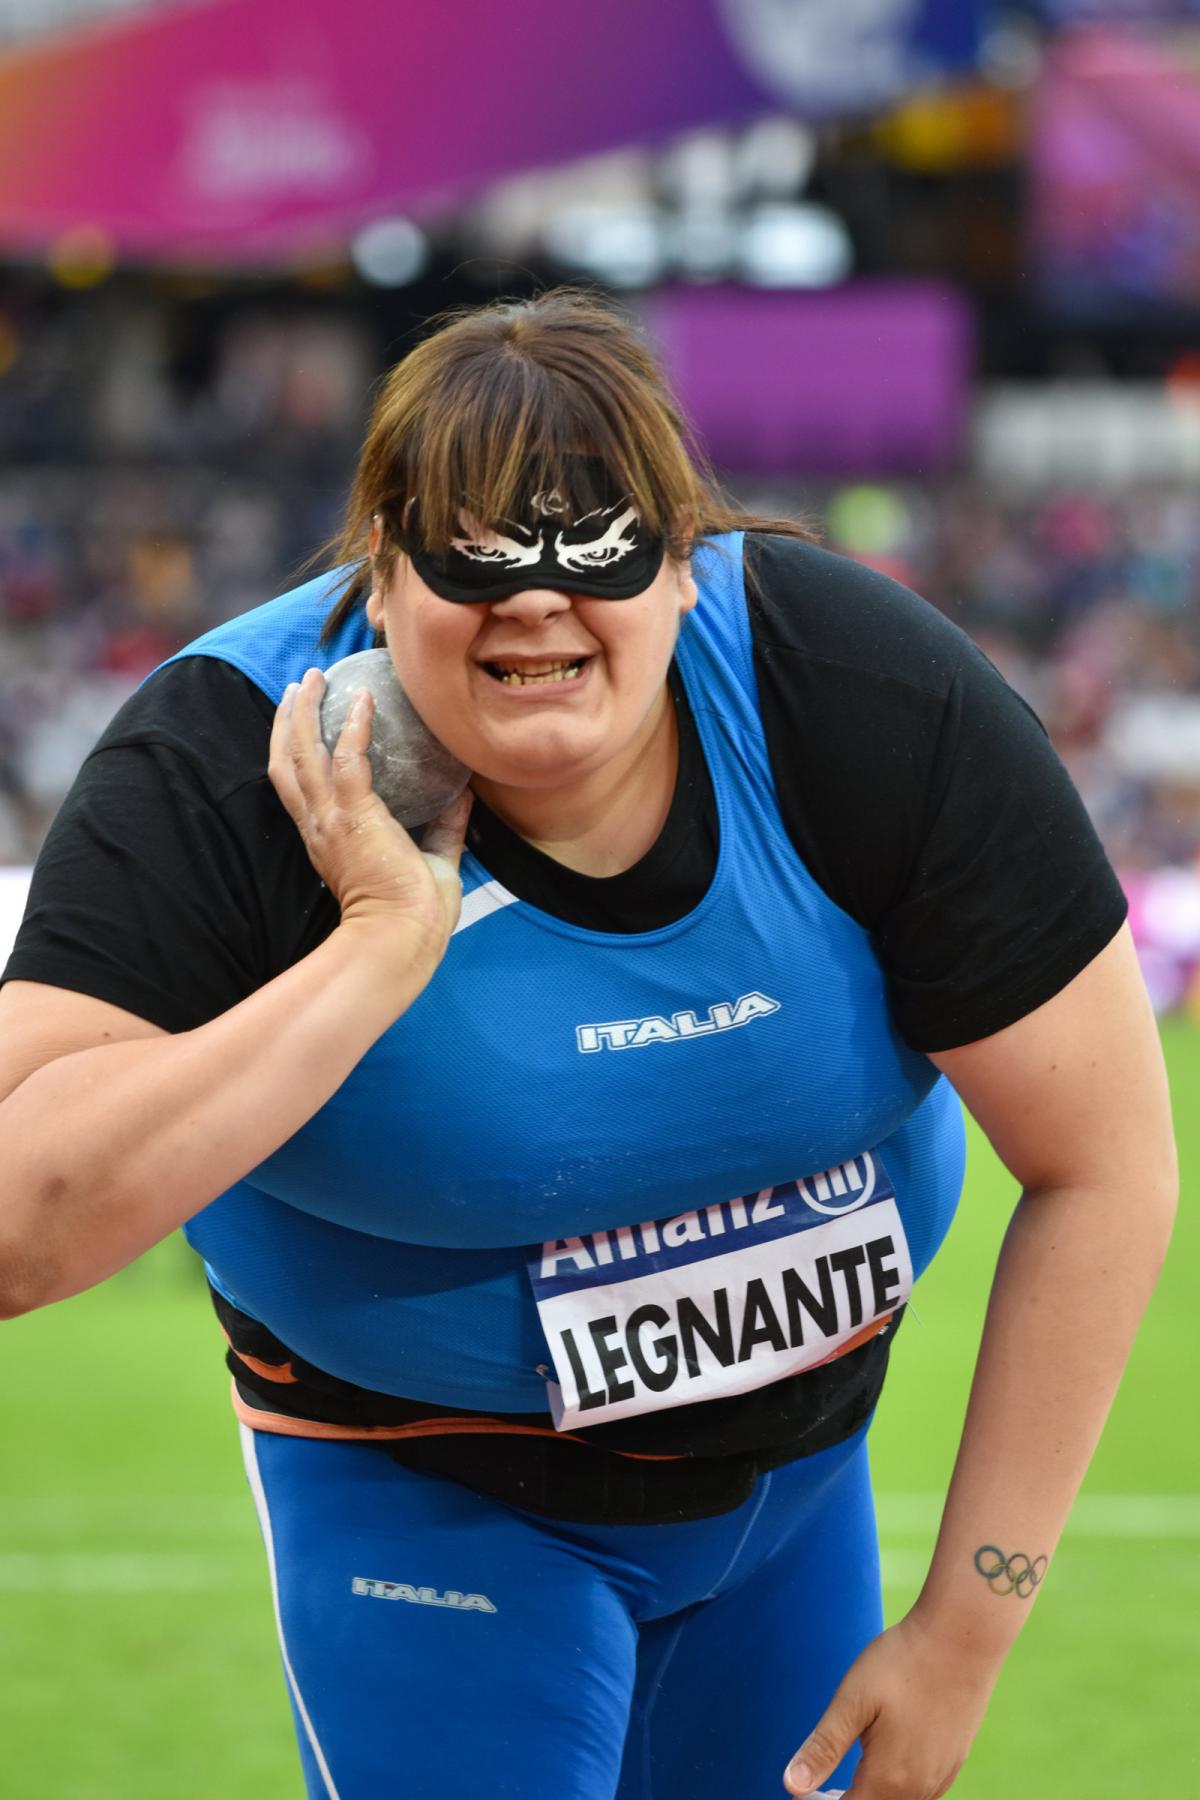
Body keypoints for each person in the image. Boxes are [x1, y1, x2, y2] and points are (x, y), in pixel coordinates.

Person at [0, 290, 1175, 1800]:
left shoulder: (855, 698)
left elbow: (1108, 1165)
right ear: (382, 568)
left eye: (594, 544)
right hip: (425, 1503)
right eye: (473, 548)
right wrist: (375, 949)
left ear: (687, 565)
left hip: (799, 1492)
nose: (537, 602)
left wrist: (965, 1630)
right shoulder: (230, 760)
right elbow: (21, 1223)